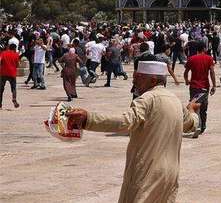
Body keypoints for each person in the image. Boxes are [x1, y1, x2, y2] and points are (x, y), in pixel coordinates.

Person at [68, 61, 201, 203]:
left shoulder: (147, 99)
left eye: (139, 77)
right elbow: (191, 124)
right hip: (169, 174)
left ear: (153, 80)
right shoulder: (175, 100)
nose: (134, 80)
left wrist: (89, 119)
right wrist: (191, 110)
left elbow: (125, 121)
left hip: (147, 172)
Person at [184, 42, 216, 136]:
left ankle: (196, 125)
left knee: (193, 106)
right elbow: (212, 72)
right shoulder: (209, 58)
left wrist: (186, 80)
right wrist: (214, 85)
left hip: (194, 86)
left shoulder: (191, 59)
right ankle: (201, 127)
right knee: (203, 108)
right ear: (204, 49)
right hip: (204, 87)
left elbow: (185, 72)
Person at [0, 43, 21, 108]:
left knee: (1, 89)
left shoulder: (3, 53)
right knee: (13, 88)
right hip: (12, 73)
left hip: (3, 73)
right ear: (14, 48)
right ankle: (14, 99)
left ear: (9, 47)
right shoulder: (16, 55)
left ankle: (0, 103)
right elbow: (18, 65)